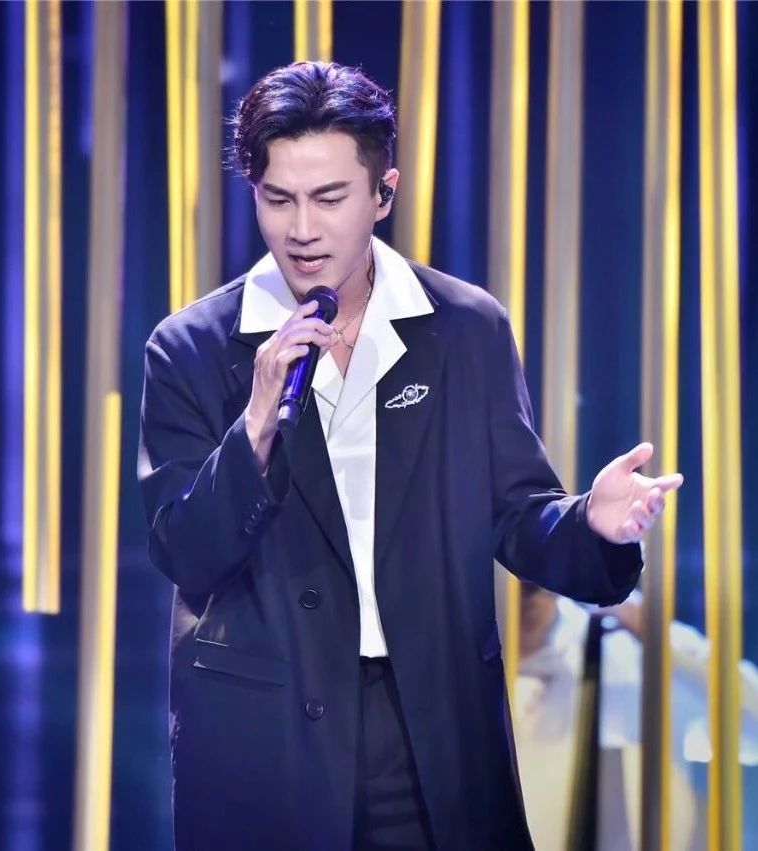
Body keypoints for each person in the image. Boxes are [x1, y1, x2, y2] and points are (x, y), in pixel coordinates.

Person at [137, 61, 683, 851]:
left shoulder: (463, 329)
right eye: (277, 198)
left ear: (383, 193)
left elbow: (518, 515)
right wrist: (254, 425)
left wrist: (592, 524)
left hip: (430, 728)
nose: (301, 228)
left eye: (329, 198)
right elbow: (185, 549)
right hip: (266, 742)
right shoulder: (191, 348)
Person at [515, 583, 758, 850]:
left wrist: (655, 636)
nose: (524, 590)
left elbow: (752, 719)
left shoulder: (625, 644)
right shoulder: (478, 673)